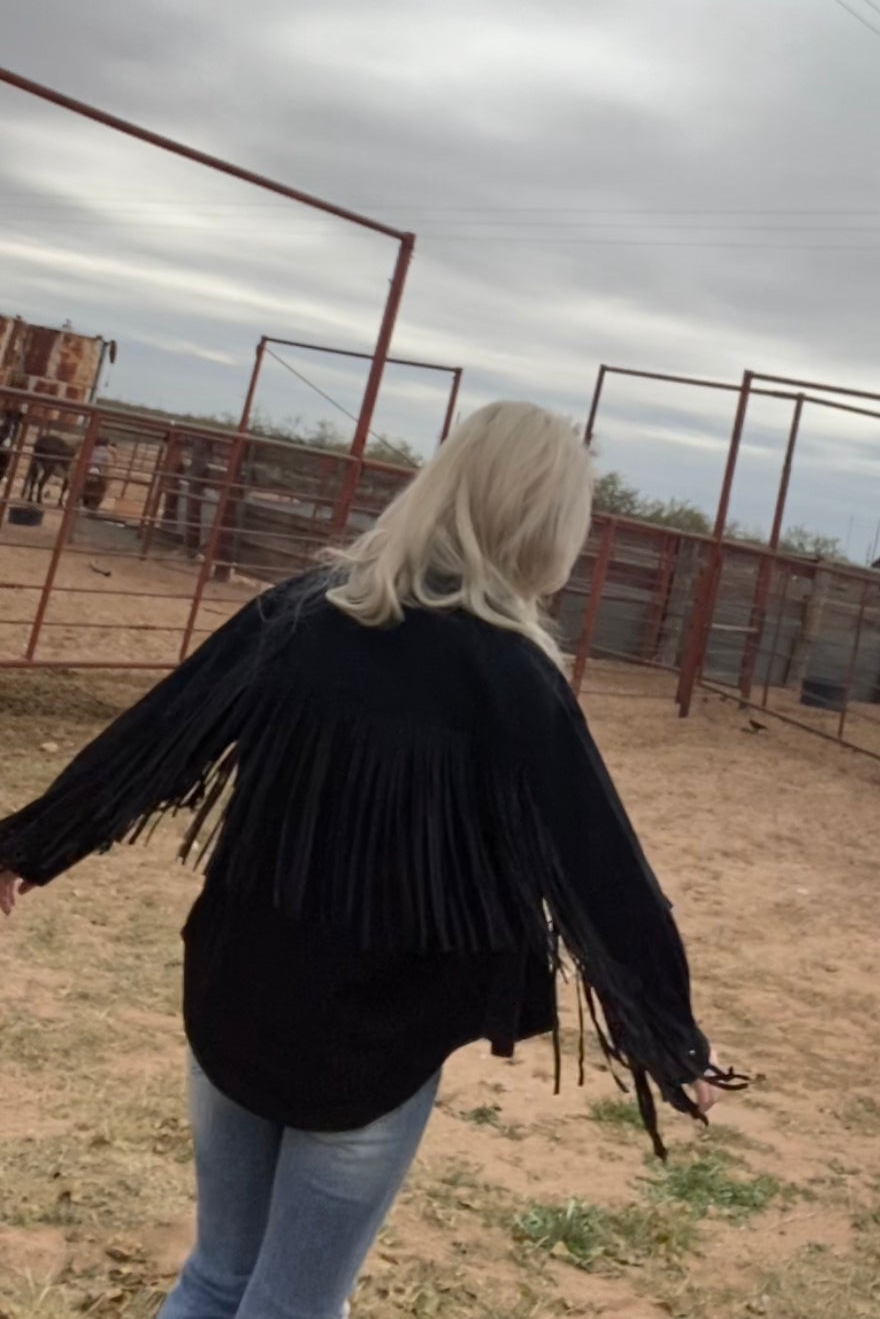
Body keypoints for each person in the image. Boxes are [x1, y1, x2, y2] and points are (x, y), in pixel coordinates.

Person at [0, 401, 741, 1319]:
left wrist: (28, 847)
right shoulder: (513, 676)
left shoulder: (298, 615)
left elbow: (159, 733)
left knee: (217, 1276)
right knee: (293, 1305)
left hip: (235, 998)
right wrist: (669, 1033)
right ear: (545, 527)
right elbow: (602, 867)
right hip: (373, 1042)